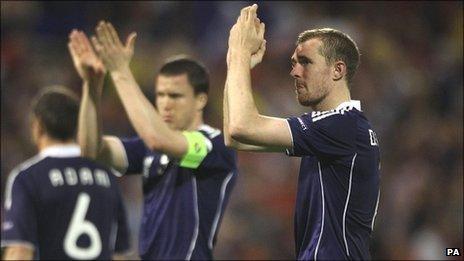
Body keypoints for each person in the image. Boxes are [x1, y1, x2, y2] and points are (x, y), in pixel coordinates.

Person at [225, 4, 381, 260]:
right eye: (294, 63)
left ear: (338, 70)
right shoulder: (331, 128)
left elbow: (242, 126)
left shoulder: (343, 125)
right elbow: (235, 136)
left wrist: (239, 53)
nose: (295, 72)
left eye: (306, 62)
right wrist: (235, 61)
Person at [71, 21, 238, 260]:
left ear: (200, 100)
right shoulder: (148, 148)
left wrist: (120, 72)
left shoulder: (215, 145)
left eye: (175, 96)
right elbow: (91, 150)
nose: (165, 104)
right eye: (160, 95)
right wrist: (92, 86)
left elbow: (157, 139)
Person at [1, 86, 130, 260]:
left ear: (37, 126)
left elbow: (19, 252)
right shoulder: (106, 176)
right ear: (77, 127)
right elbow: (120, 255)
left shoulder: (28, 178)